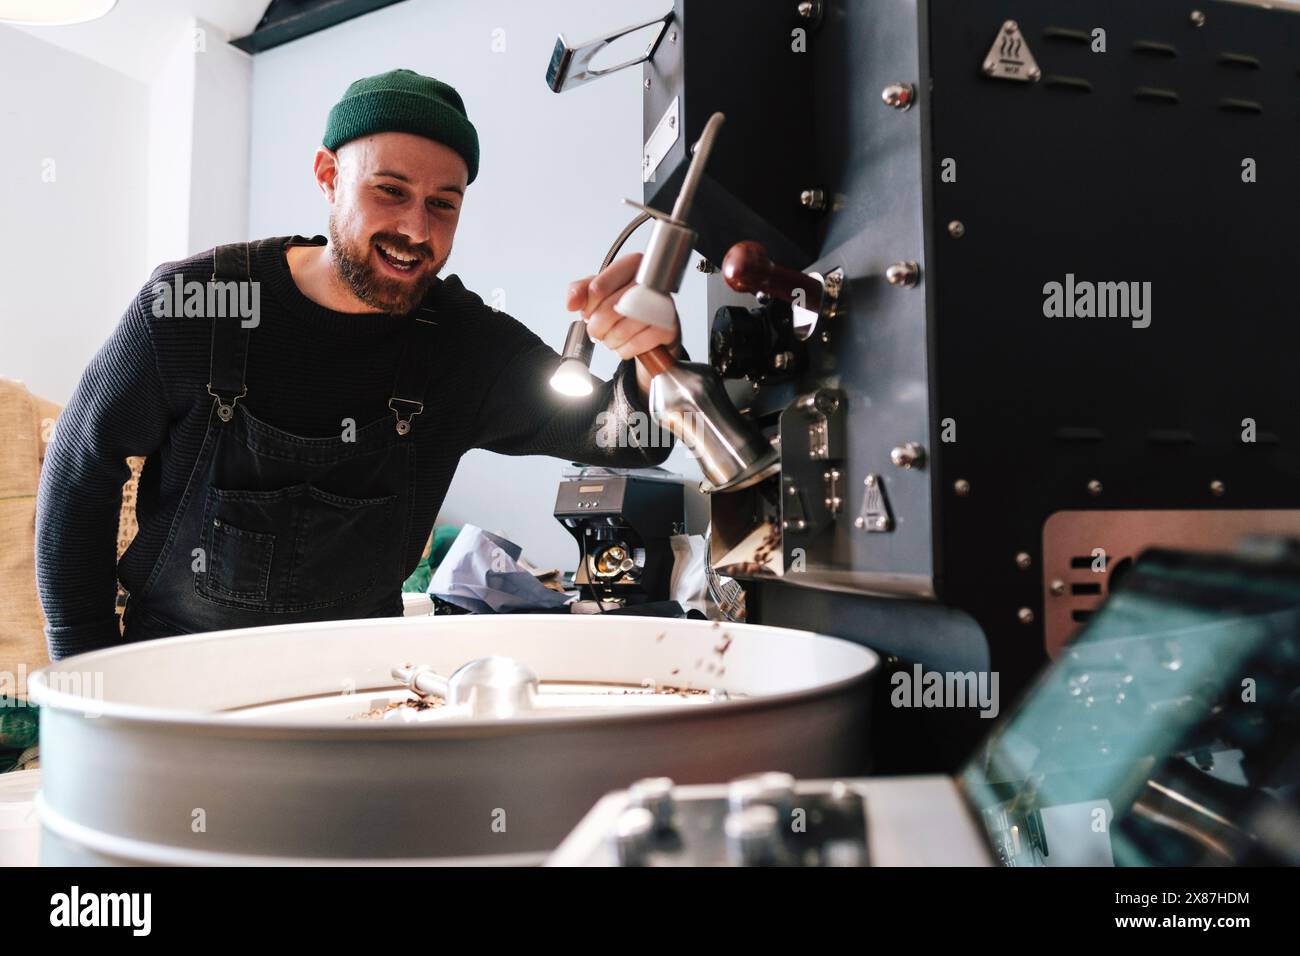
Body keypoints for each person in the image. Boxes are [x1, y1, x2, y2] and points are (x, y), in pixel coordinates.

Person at [35, 69, 682, 660]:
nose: (417, 230)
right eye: (390, 190)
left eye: (443, 204)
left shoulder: (461, 345)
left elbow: (635, 437)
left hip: (355, 688)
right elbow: (78, 469)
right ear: (327, 175)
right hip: (175, 676)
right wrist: (85, 671)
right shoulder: (196, 304)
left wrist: (653, 351)